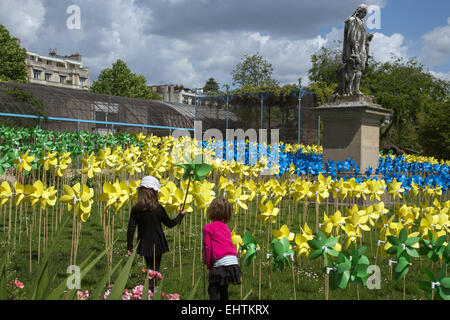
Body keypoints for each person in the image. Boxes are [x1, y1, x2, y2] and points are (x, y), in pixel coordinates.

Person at [127, 175, 186, 291]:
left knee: (149, 267)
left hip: (143, 243)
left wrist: (130, 246)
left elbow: (131, 229)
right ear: (154, 192)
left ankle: (149, 290)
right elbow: (170, 224)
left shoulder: (136, 209)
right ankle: (152, 290)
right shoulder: (158, 208)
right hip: (157, 243)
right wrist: (181, 215)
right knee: (155, 269)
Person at [202, 198, 242, 300]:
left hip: (220, 263)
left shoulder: (208, 228)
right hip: (232, 261)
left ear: (210, 210)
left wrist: (208, 264)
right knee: (223, 289)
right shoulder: (226, 227)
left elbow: (207, 248)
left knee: (212, 290)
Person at [339, 4, 372, 96]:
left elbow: (361, 37)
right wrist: (355, 51)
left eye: (366, 13)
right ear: (359, 11)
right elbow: (352, 36)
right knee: (352, 69)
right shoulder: (352, 20)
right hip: (353, 49)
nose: (365, 15)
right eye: (364, 12)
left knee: (359, 70)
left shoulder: (361, 22)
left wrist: (367, 38)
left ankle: (356, 89)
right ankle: (347, 90)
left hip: (361, 49)